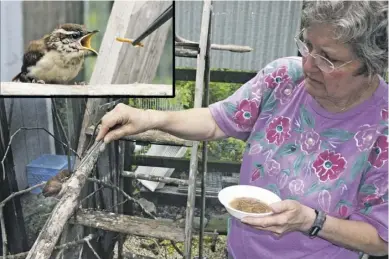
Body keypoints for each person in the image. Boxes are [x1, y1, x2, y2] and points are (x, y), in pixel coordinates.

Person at [96, 1, 388, 258]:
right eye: (308, 46)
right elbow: (215, 121)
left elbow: (381, 239)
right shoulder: (284, 77)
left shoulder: (383, 128)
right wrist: (149, 118)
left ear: (371, 65)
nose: (309, 64)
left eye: (329, 58)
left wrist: (311, 221)